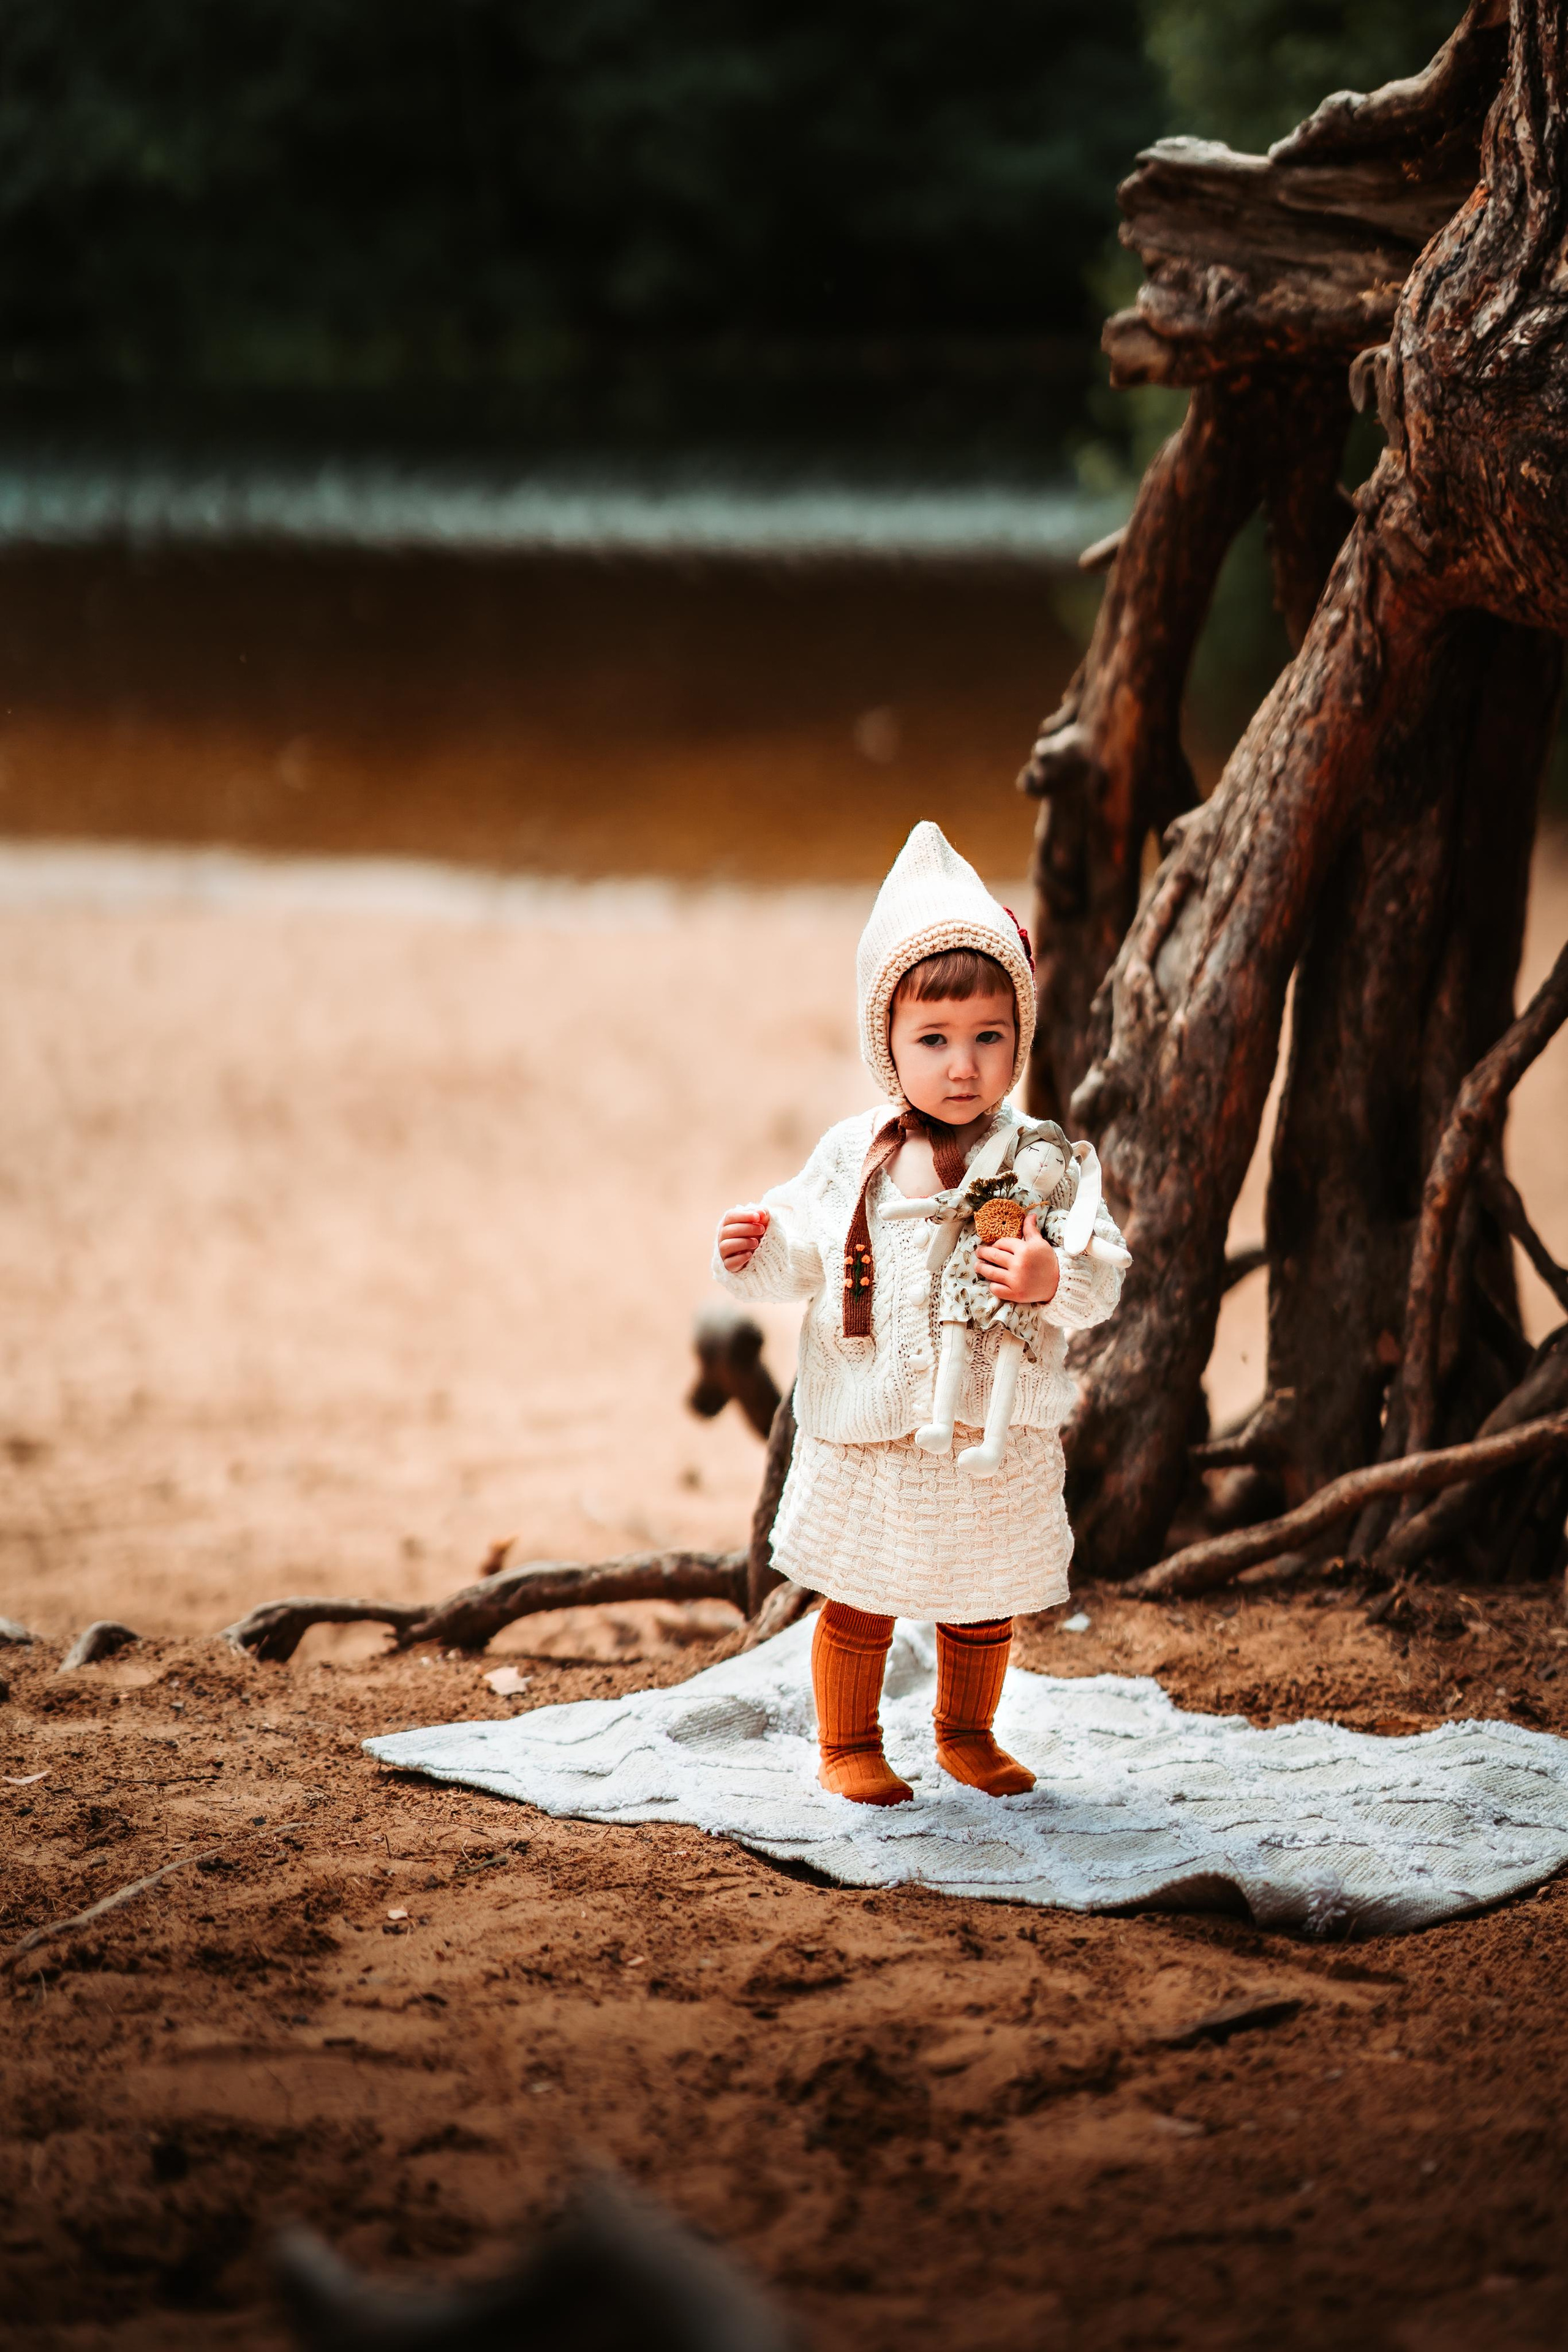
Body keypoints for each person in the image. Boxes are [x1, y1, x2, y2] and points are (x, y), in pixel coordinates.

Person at [713, 821, 1125, 1807]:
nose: (963, 1066)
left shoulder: (1046, 1157)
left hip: (992, 1426)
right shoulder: (859, 1152)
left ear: (1019, 1038)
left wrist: (1046, 1275)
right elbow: (805, 1250)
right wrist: (756, 1249)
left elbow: (1101, 1269)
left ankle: (967, 1732)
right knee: (859, 1592)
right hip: (874, 1427)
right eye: (933, 1041)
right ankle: (848, 1739)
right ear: (885, 1044)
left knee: (985, 1597)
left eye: (989, 1038)